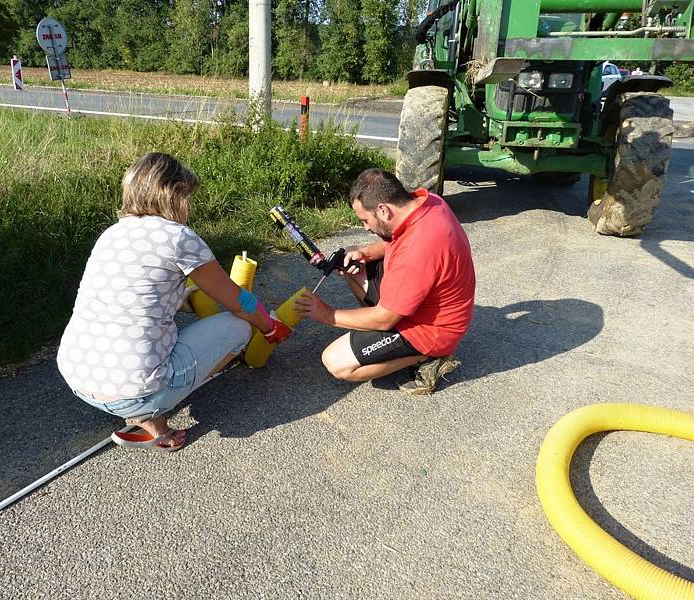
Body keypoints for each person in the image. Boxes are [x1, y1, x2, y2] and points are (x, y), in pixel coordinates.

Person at [57, 153, 291, 450]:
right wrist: (270, 327)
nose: (190, 206)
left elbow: (138, 296)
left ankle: (148, 420)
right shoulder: (179, 237)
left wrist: (184, 301)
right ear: (175, 195)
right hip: (135, 392)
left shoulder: (111, 234)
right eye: (188, 197)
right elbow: (238, 301)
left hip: (78, 378)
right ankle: (152, 414)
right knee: (239, 326)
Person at [294, 168, 475, 394]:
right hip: (423, 300)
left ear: (383, 210)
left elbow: (384, 320)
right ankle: (393, 341)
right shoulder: (428, 203)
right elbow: (396, 240)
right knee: (353, 265)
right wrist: (365, 252)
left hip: (433, 329)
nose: (366, 227)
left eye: (365, 220)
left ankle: (428, 356)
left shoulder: (419, 248)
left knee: (336, 362)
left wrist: (326, 314)